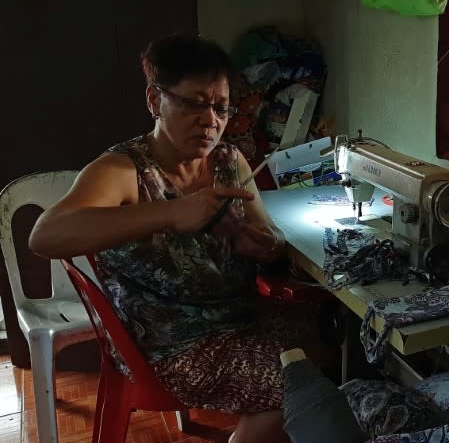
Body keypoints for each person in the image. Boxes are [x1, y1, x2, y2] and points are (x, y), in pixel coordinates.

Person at [28, 34, 314, 443]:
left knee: (339, 346)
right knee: (305, 389)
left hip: (239, 319)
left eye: (221, 107)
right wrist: (169, 213)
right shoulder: (123, 170)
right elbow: (45, 236)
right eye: (194, 104)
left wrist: (264, 245)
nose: (210, 121)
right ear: (154, 101)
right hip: (172, 348)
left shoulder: (229, 161)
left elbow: (271, 238)